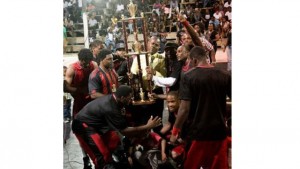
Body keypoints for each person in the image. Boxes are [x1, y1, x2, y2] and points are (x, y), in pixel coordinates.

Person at [72, 85, 162, 169]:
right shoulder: (110, 107)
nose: (131, 100)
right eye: (129, 98)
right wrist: (147, 126)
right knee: (103, 158)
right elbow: (124, 131)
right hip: (83, 126)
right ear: (122, 98)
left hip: (97, 125)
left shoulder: (115, 101)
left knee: (114, 140)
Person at [170, 46, 231, 169]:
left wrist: (175, 132)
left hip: (198, 133)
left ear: (194, 60)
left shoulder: (188, 76)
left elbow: (184, 108)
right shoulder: (225, 75)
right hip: (219, 132)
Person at [64, 48, 98, 169]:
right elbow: (66, 87)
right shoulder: (72, 68)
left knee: (95, 130)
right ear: (80, 60)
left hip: (92, 102)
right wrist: (80, 90)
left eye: (89, 61)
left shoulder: (93, 65)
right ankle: (85, 158)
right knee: (80, 132)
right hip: (79, 103)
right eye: (85, 62)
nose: (87, 64)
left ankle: (97, 156)